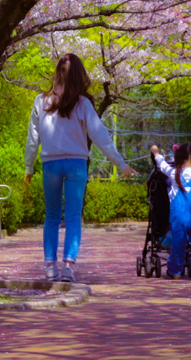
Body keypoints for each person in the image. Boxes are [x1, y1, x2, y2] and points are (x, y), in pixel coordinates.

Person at [24, 53, 136, 283]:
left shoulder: (40, 101)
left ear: (57, 73)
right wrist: (120, 164)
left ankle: (49, 266)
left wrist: (28, 167)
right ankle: (68, 267)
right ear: (79, 75)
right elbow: (101, 136)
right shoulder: (83, 104)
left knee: (52, 216)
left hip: (50, 164)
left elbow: (32, 138)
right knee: (73, 216)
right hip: (76, 164)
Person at [149, 142, 191, 281]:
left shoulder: (173, 173)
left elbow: (161, 164)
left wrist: (155, 152)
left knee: (178, 244)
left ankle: (175, 271)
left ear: (179, 158)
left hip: (179, 216)